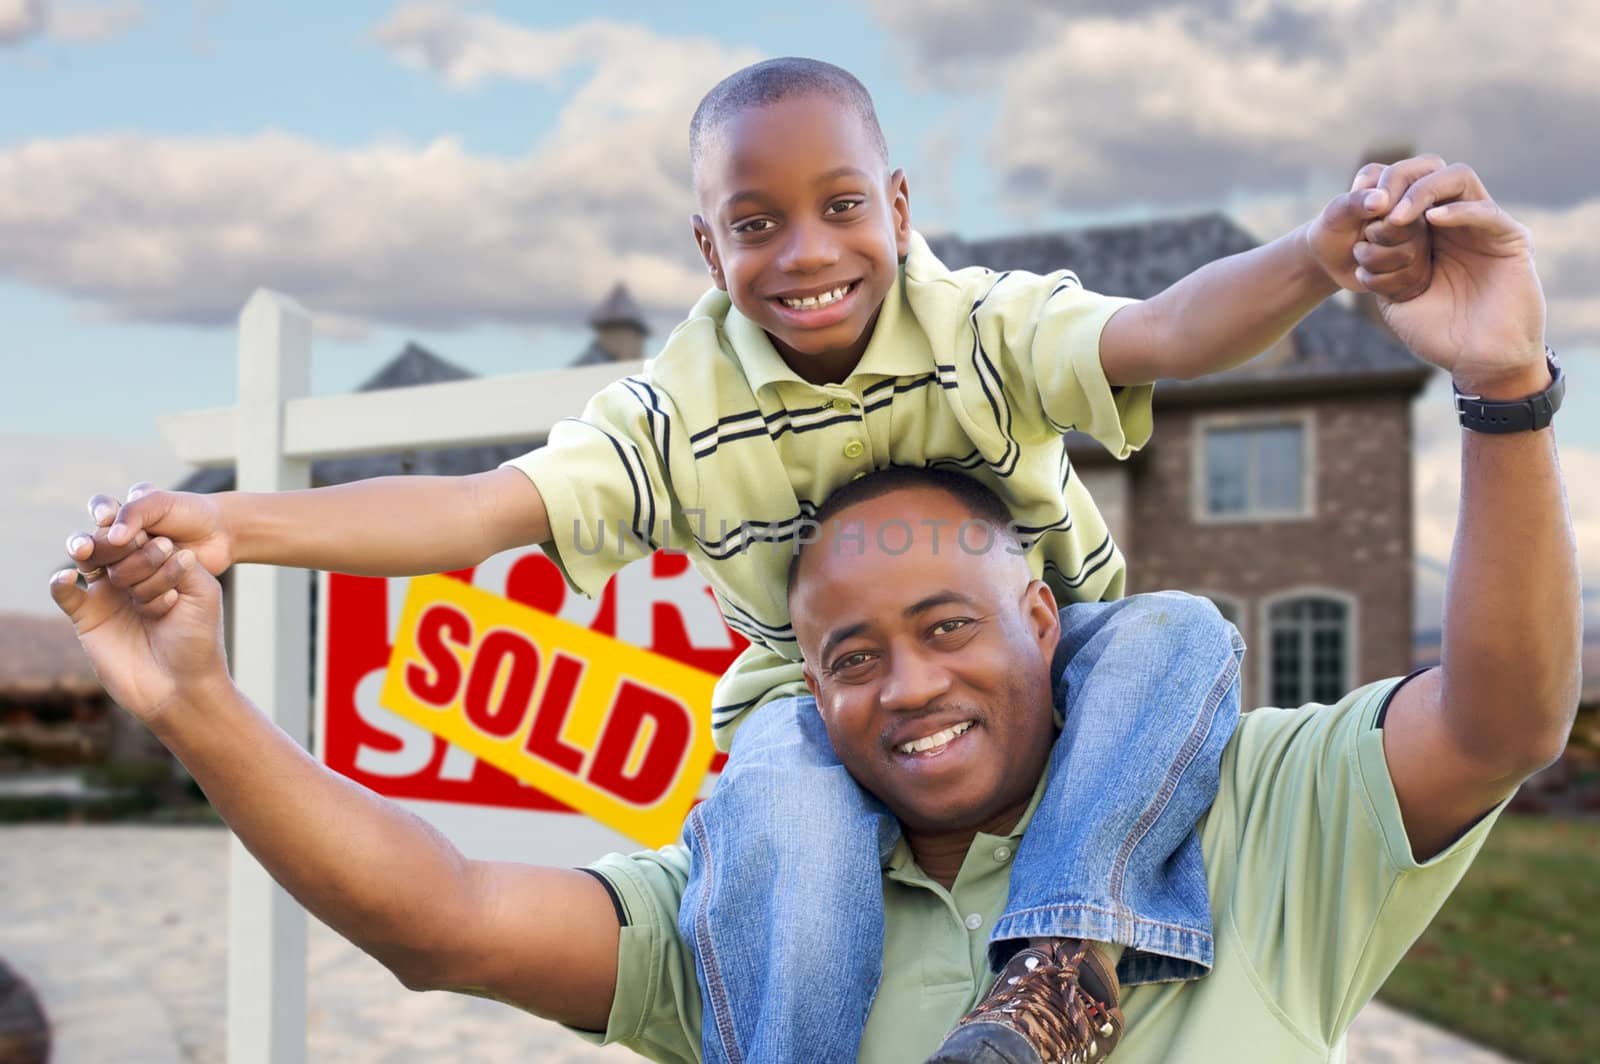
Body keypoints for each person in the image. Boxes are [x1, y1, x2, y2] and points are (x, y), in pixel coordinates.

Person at [65, 57, 1450, 1063]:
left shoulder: (973, 325)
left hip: (1056, 654)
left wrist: (1318, 258)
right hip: (808, 698)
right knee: (778, 811)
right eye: (755, 223)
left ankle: (1058, 969)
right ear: (704, 241)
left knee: (1180, 632)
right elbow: (485, 513)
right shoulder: (677, 409)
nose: (806, 253)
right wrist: (245, 526)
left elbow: (1159, 335)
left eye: (842, 205)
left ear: (900, 206)